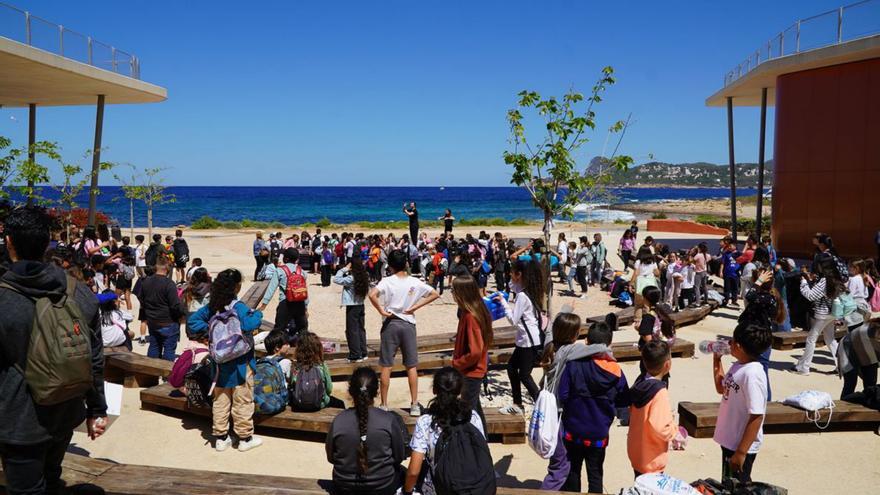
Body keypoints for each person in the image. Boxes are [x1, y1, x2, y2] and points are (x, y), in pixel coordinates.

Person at [0, 206, 108, 493]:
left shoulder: (4, 298)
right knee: (51, 478)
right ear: (48, 241)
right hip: (66, 408)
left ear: (9, 242)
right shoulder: (78, 292)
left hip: (18, 419)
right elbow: (94, 358)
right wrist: (97, 409)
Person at [188, 269, 265, 452]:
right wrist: (258, 314)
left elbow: (192, 322)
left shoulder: (212, 307)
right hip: (241, 362)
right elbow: (250, 324)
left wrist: (210, 331)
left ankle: (221, 437)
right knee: (243, 399)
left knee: (221, 398)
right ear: (237, 287)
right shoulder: (238, 306)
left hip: (220, 362)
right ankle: (245, 438)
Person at [538, 312, 608, 491]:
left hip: (546, 408)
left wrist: (566, 309)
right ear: (574, 335)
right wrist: (608, 351)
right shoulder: (569, 350)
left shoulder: (550, 346)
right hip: (557, 414)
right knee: (560, 466)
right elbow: (595, 348)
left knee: (558, 460)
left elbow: (548, 332)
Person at [559, 321, 630, 493]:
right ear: (609, 344)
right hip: (598, 434)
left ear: (587, 342)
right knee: (596, 474)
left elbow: (563, 395)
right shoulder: (616, 372)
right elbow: (623, 401)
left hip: (572, 431)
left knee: (573, 471)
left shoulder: (573, 364)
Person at [368, 250, 440, 414]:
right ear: (406, 263)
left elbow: (372, 294)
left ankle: (384, 403)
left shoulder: (387, 281)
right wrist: (416, 306)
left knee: (386, 365)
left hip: (391, 322)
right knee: (411, 365)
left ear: (390, 265)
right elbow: (435, 293)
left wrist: (380, 310)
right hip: (408, 323)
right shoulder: (414, 281)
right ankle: (414, 404)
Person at [403, 367, 488, 495]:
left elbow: (413, 471)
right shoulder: (473, 417)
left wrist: (407, 491)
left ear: (434, 390)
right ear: (460, 391)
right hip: (474, 485)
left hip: (440, 488)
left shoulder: (425, 422)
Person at [326, 367, 407, 495]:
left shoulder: (338, 421)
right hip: (382, 486)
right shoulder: (388, 420)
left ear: (350, 392)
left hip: (344, 487)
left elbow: (331, 457)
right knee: (403, 472)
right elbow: (399, 456)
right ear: (376, 392)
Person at [712, 323, 771, 483]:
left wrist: (741, 452)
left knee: (739, 485)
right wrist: (717, 361)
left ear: (738, 346)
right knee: (728, 483)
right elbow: (721, 387)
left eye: (732, 341)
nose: (729, 343)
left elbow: (757, 415)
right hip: (730, 440)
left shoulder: (752, 374)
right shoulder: (739, 366)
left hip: (740, 445)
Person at [497, 259, 546, 415]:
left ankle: (543, 406)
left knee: (524, 375)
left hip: (528, 342)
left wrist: (504, 303)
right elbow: (512, 286)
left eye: (512, 272)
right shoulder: (526, 290)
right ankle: (517, 404)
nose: (510, 275)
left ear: (519, 275)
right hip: (526, 339)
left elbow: (513, 320)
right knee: (511, 368)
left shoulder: (523, 296)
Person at [451, 275, 493, 431]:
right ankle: (483, 441)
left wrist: (458, 363)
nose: (452, 294)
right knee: (475, 409)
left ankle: (474, 445)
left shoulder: (470, 316)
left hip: (471, 372)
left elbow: (475, 351)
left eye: (454, 291)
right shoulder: (472, 311)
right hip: (473, 370)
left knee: (467, 413)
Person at [628, 341, 675, 477]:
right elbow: (661, 428)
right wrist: (674, 430)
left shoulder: (640, 382)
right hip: (652, 458)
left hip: (637, 453)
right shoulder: (659, 392)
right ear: (667, 365)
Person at [791, 257, 844, 375]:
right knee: (830, 339)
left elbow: (810, 296)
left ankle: (804, 368)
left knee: (811, 339)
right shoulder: (836, 278)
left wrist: (804, 282)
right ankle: (841, 366)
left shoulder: (824, 281)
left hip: (822, 314)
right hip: (832, 313)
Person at [137, 257, 186, 361]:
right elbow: (175, 305)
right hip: (168, 322)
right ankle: (166, 375)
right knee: (169, 350)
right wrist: (183, 313)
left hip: (152, 321)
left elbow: (140, 298)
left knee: (154, 347)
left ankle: (151, 374)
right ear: (167, 270)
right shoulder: (169, 284)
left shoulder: (145, 282)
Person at [258, 248, 309, 338]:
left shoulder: (280, 270)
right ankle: (304, 349)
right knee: (302, 330)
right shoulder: (302, 271)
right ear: (297, 259)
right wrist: (305, 307)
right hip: (300, 303)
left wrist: (264, 304)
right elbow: (303, 289)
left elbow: (271, 288)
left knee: (279, 329)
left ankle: (278, 349)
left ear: (285, 259)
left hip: (285, 303)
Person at [291, 332, 345, 410]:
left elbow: (293, 385)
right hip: (319, 403)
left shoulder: (295, 367)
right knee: (340, 403)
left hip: (299, 403)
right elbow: (329, 388)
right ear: (318, 348)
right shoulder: (322, 366)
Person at [334, 257, 370, 363]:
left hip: (352, 306)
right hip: (360, 305)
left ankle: (355, 354)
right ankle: (363, 352)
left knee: (352, 330)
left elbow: (336, 279)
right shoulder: (364, 276)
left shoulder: (351, 278)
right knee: (360, 329)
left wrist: (344, 268)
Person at [632, 247, 660, 329]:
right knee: (648, 303)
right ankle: (648, 319)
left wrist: (631, 283)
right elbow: (657, 273)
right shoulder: (653, 262)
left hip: (641, 282)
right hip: (651, 282)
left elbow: (636, 273)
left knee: (638, 304)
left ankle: (638, 321)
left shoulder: (638, 262)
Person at [719, 236, 742, 308]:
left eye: (731, 245)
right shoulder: (726, 254)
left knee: (735, 288)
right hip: (727, 273)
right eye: (729, 246)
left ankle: (734, 301)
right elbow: (722, 263)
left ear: (735, 246)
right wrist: (721, 272)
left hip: (735, 274)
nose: (729, 247)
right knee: (727, 288)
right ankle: (726, 300)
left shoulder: (739, 254)